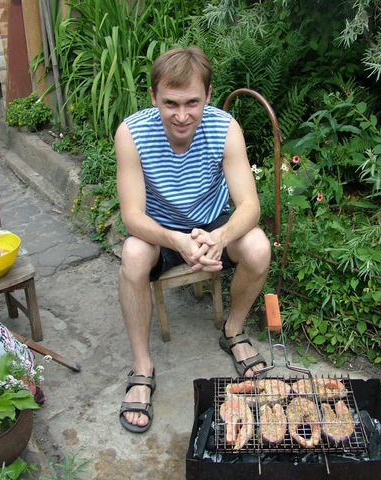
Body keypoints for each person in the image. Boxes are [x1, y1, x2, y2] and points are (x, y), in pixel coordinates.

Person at [115, 46, 271, 434]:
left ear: (208, 95)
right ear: (154, 97)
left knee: (257, 246)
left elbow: (250, 205)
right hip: (161, 229)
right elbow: (132, 215)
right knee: (133, 255)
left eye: (192, 102)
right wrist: (176, 240)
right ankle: (142, 367)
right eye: (170, 103)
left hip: (215, 223)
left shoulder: (224, 127)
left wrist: (219, 237)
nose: (182, 115)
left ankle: (233, 331)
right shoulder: (131, 133)